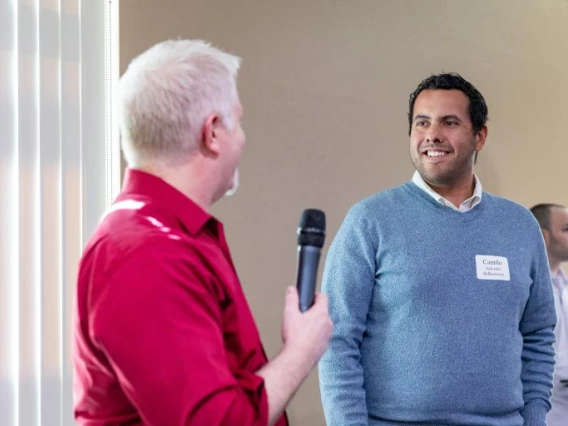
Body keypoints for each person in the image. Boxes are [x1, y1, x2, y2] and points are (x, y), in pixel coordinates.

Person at [72, 39, 332, 426]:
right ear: (212, 132)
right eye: (238, 121)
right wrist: (301, 350)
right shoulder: (146, 255)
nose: (242, 137)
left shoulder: (177, 237)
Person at [319, 72, 556, 425]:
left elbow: (537, 334)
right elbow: (336, 338)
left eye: (449, 122)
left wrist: (534, 419)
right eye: (422, 122)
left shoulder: (520, 226)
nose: (432, 134)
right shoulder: (370, 220)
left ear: (480, 136)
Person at [530, 203, 568, 426]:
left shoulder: (565, 285)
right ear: (544, 236)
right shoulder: (528, 288)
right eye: (566, 229)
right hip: (543, 404)